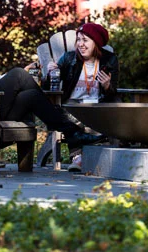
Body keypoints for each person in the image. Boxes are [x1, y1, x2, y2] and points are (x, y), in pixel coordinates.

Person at [44, 22, 119, 171]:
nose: (80, 44)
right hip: (71, 106)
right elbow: (48, 88)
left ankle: (100, 154)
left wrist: (107, 86)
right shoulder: (69, 58)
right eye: (78, 40)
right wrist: (49, 73)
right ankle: (77, 157)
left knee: (115, 107)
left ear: (96, 42)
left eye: (85, 40)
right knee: (69, 118)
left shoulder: (110, 60)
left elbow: (113, 92)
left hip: (97, 106)